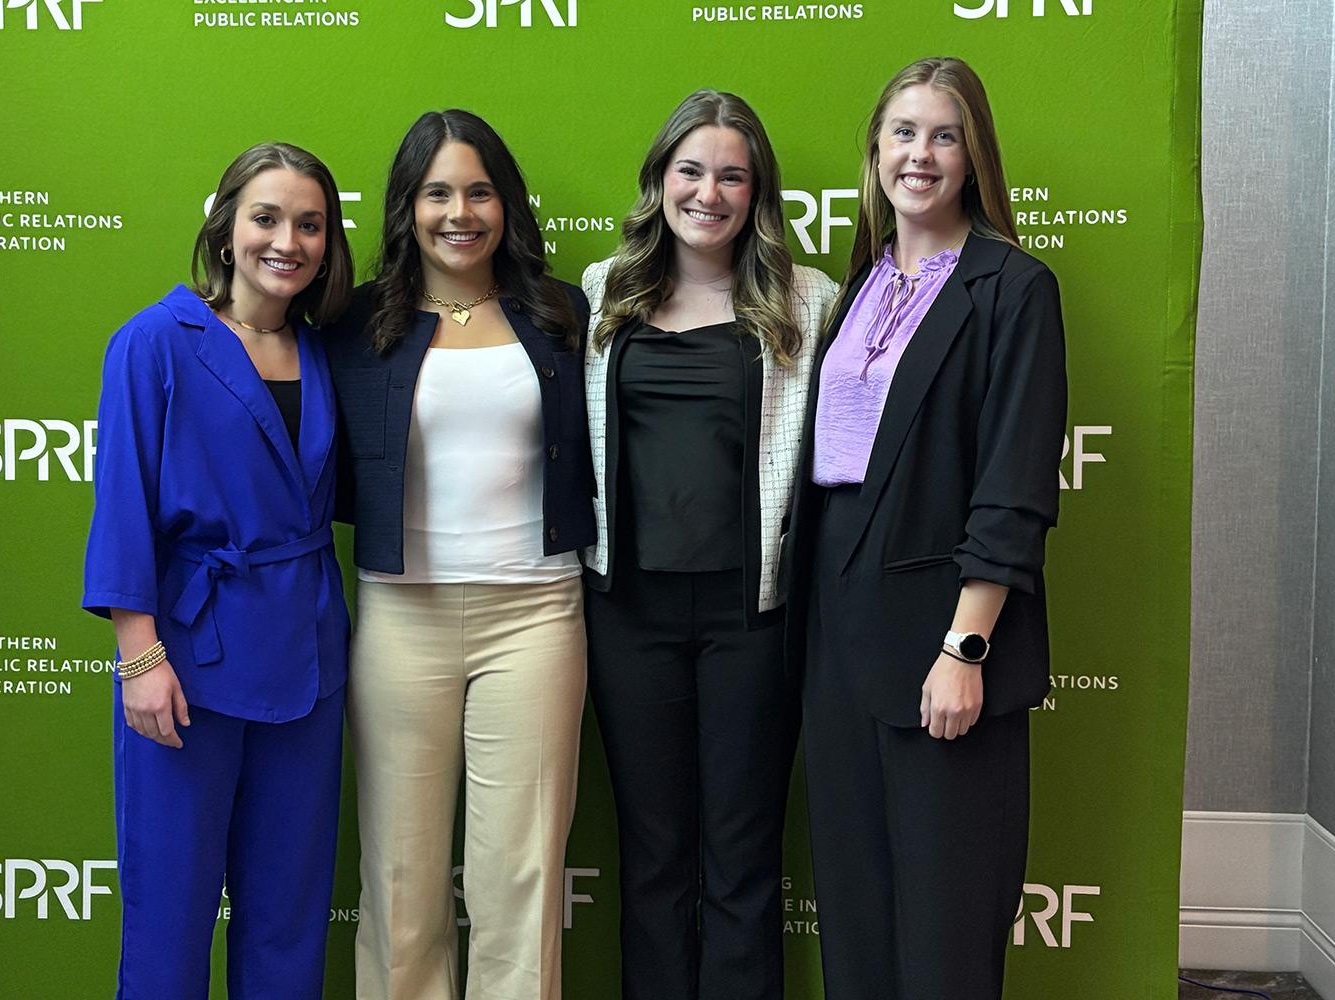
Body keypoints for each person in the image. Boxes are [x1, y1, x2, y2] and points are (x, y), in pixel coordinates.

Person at [786, 56, 1068, 1000]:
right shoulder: (856, 288)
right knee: (858, 923)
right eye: (903, 133)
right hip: (839, 639)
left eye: (943, 134)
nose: (920, 154)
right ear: (874, 153)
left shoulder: (1012, 288)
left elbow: (1015, 485)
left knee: (945, 931)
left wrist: (967, 645)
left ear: (974, 153)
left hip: (944, 644)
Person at [322, 109, 593, 1000]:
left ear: (506, 203)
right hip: (404, 620)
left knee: (519, 876)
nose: (459, 212)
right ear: (407, 207)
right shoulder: (356, 326)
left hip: (537, 615)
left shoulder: (560, 313)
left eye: (479, 190)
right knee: (400, 879)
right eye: (437, 192)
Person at [579, 89, 837, 1000]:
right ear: (660, 181)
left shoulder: (811, 301)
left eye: (732, 175)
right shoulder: (604, 290)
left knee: (741, 852)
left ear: (757, 192)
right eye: (691, 170)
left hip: (751, 616)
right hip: (627, 612)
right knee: (650, 853)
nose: (709, 193)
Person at [82, 141, 354, 1000]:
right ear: (225, 229)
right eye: (266, 218)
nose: (289, 241)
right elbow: (123, 507)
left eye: (310, 224)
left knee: (289, 912)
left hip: (308, 656)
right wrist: (140, 658)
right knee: (170, 911)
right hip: (187, 661)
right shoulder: (154, 342)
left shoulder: (323, 351)